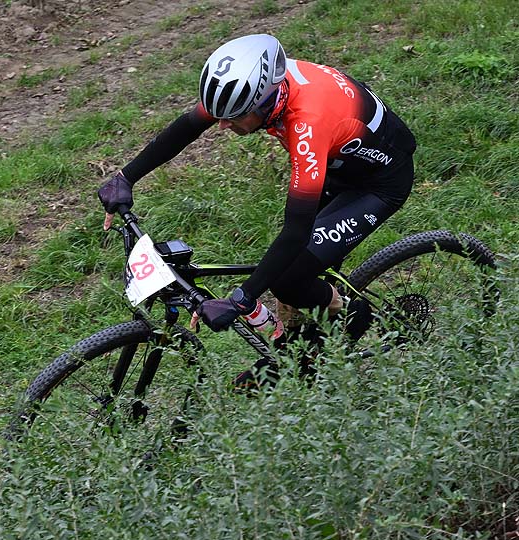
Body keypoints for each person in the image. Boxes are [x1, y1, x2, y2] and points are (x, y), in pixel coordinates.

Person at [98, 34, 416, 358]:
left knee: (288, 279)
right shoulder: (258, 88)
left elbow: (296, 232)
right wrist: (125, 177)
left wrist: (242, 299)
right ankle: (299, 353)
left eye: (233, 117)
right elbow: (189, 125)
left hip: (378, 184)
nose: (222, 126)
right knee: (289, 267)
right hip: (340, 161)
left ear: (266, 104)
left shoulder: (307, 123)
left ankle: (353, 315)